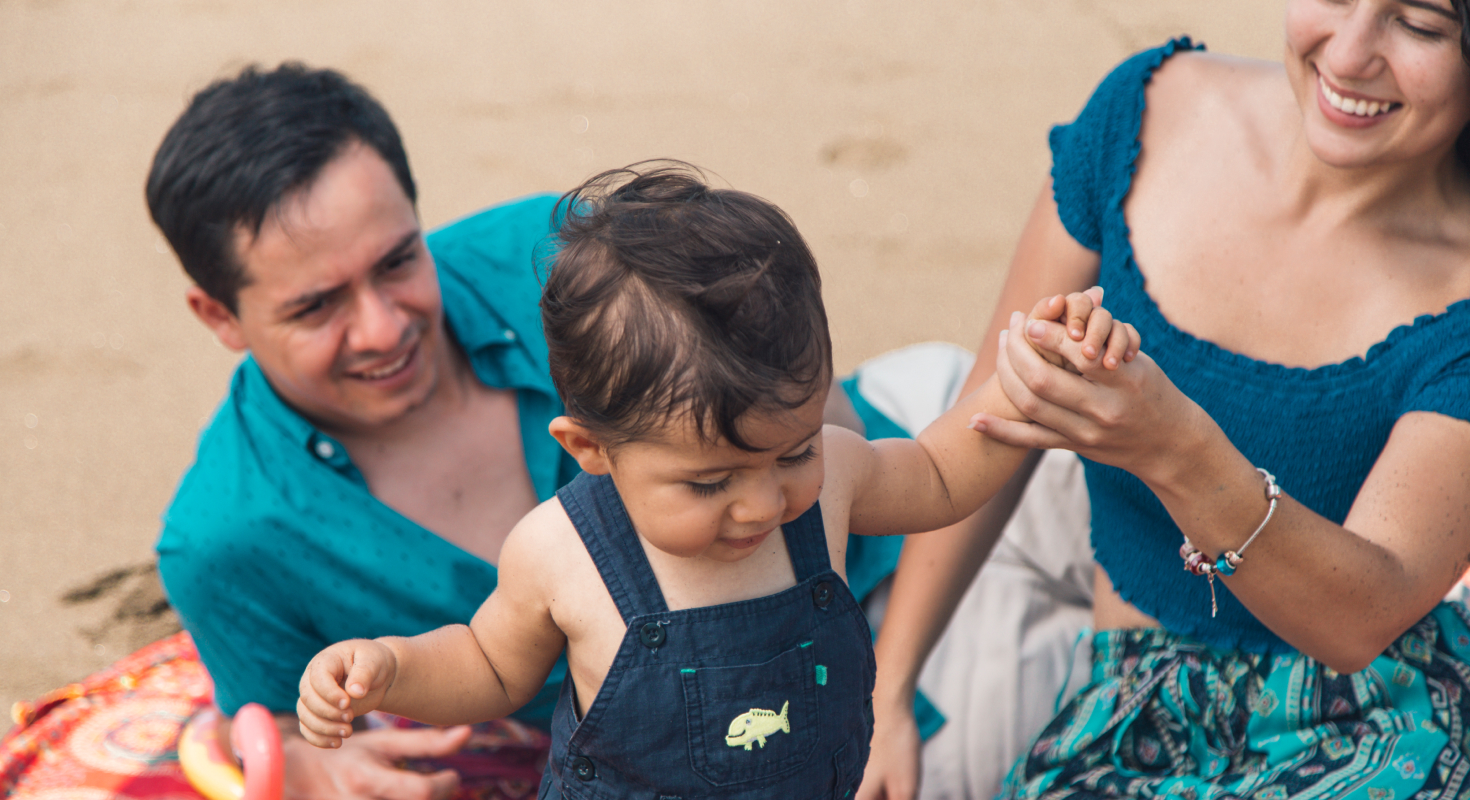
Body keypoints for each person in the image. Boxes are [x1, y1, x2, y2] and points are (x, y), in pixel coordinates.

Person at [293, 163, 1138, 798]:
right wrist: (392, 669)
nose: (765, 503)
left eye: (794, 450)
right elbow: (488, 665)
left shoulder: (835, 478)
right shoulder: (560, 552)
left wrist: (1025, 376)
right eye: (710, 483)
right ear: (590, 448)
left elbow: (944, 474)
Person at [862, 0, 1470, 796]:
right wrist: (890, 688)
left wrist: (1176, 448)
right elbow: (990, 420)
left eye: (1419, 24)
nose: (1350, 55)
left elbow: (1358, 620)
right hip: (1126, 703)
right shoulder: (1143, 117)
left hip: (1380, 718)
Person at [146, 63, 580, 800]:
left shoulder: (569, 264)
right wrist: (302, 763)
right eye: (316, 307)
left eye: (399, 260)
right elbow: (272, 722)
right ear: (219, 315)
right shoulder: (225, 538)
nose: (384, 329)